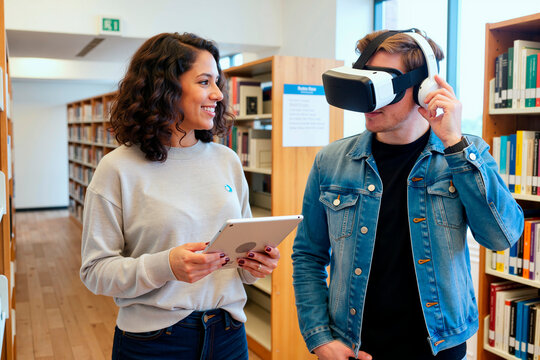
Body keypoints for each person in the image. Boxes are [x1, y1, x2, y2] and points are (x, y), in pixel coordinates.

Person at [292, 29, 524, 360]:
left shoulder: (463, 155)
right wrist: (319, 338)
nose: (369, 100)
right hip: (354, 346)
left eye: (384, 85)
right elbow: (308, 256)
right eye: (364, 84)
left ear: (423, 89)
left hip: (438, 347)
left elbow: (501, 238)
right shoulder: (330, 162)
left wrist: (455, 145)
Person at [80, 32, 280, 360]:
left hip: (228, 334)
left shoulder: (226, 160)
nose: (217, 94)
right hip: (155, 342)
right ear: (164, 87)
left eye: (217, 82)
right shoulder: (117, 169)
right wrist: (166, 266)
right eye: (204, 82)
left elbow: (239, 263)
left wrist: (255, 264)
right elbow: (95, 272)